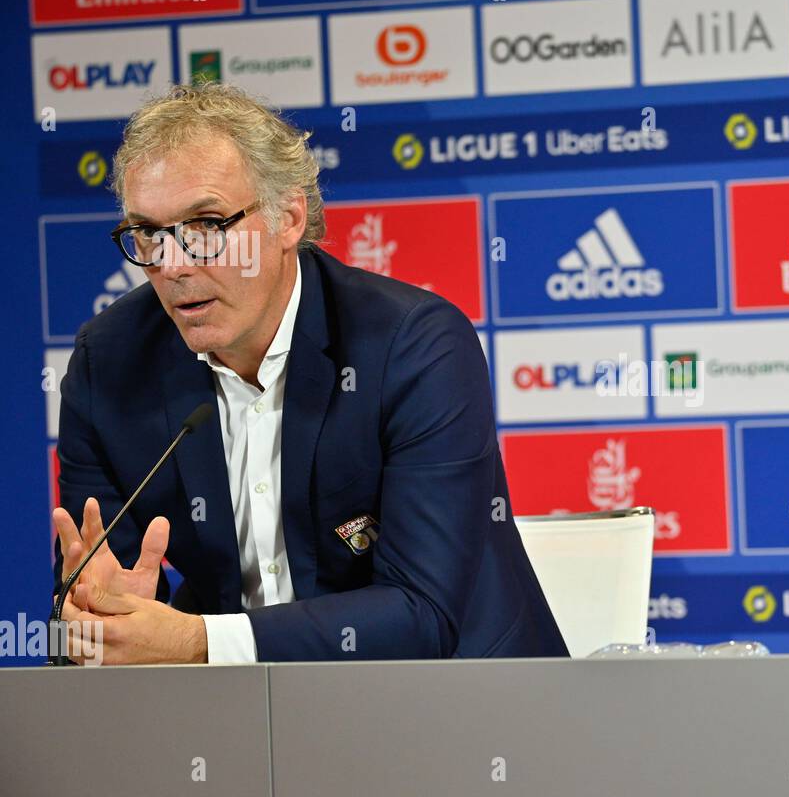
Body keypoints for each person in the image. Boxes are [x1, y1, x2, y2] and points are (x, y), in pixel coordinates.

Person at [52, 83, 567, 664]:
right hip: (238, 722)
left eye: (206, 225)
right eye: (148, 233)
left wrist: (195, 642)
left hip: (460, 710)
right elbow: (99, 602)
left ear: (289, 218)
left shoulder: (413, 346)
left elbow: (421, 614)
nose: (172, 265)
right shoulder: (110, 363)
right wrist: (103, 621)